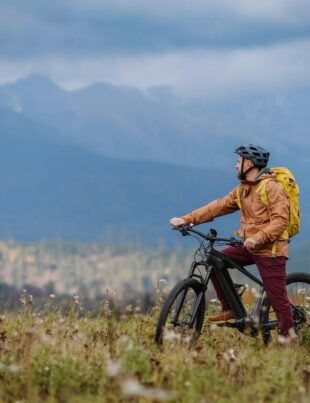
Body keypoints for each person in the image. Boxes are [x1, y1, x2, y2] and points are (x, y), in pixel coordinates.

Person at [170, 144, 294, 340]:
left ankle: (288, 340)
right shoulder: (242, 190)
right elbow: (217, 207)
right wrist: (187, 219)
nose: (236, 166)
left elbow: (281, 220)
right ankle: (229, 308)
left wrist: (257, 238)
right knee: (215, 259)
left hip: (271, 249)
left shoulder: (271, 188)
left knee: (277, 298)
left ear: (249, 163)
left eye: (238, 161)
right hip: (250, 246)